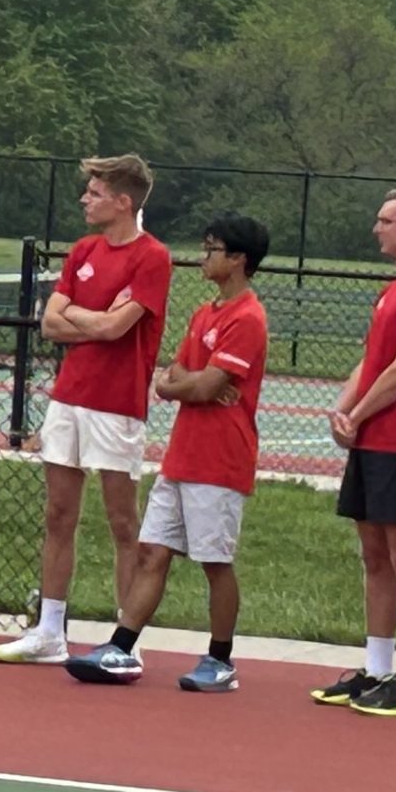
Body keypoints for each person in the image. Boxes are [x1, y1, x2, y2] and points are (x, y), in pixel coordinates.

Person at [69, 214, 270, 693]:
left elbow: (205, 385)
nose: (204, 256)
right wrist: (188, 385)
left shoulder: (247, 318)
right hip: (182, 457)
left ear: (238, 259)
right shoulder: (204, 314)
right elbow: (173, 379)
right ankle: (121, 647)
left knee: (214, 561)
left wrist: (192, 385)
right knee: (152, 551)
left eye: (213, 249)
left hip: (220, 461)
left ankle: (221, 661)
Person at [0, 154, 171, 664]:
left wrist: (85, 320)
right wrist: (95, 319)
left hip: (117, 406)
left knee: (120, 521)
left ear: (123, 201)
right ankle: (50, 631)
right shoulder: (83, 250)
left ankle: (123, 641)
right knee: (58, 513)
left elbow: (119, 330)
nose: (84, 200)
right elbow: (51, 323)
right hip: (68, 398)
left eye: (94, 193)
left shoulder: (151, 257)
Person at [310, 187, 396, 717]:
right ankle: (378, 667)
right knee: (374, 554)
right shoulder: (392, 291)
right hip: (372, 441)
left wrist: (357, 417)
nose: (376, 229)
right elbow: (371, 361)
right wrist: (343, 411)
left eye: (386, 221)